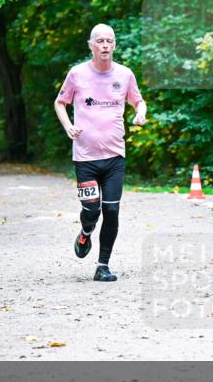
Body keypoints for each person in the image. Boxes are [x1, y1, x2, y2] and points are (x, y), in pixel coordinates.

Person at [53, 24, 147, 282]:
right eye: (100, 41)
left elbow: (138, 100)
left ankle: (102, 265)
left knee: (113, 211)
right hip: (85, 157)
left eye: (110, 41)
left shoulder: (125, 75)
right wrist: (68, 126)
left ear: (114, 45)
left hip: (115, 157)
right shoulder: (77, 74)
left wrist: (141, 112)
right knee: (92, 211)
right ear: (91, 45)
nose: (105, 45)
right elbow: (60, 102)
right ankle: (85, 232)